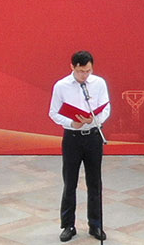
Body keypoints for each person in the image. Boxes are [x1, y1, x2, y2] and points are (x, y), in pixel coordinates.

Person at [50, 51, 112, 242]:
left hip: (93, 136)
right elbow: (53, 113)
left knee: (95, 182)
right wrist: (71, 123)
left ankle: (96, 224)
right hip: (73, 138)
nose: (84, 75)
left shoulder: (99, 83)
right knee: (70, 182)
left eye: (88, 71)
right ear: (72, 67)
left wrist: (94, 119)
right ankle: (68, 225)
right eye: (80, 71)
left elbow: (106, 108)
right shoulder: (61, 86)